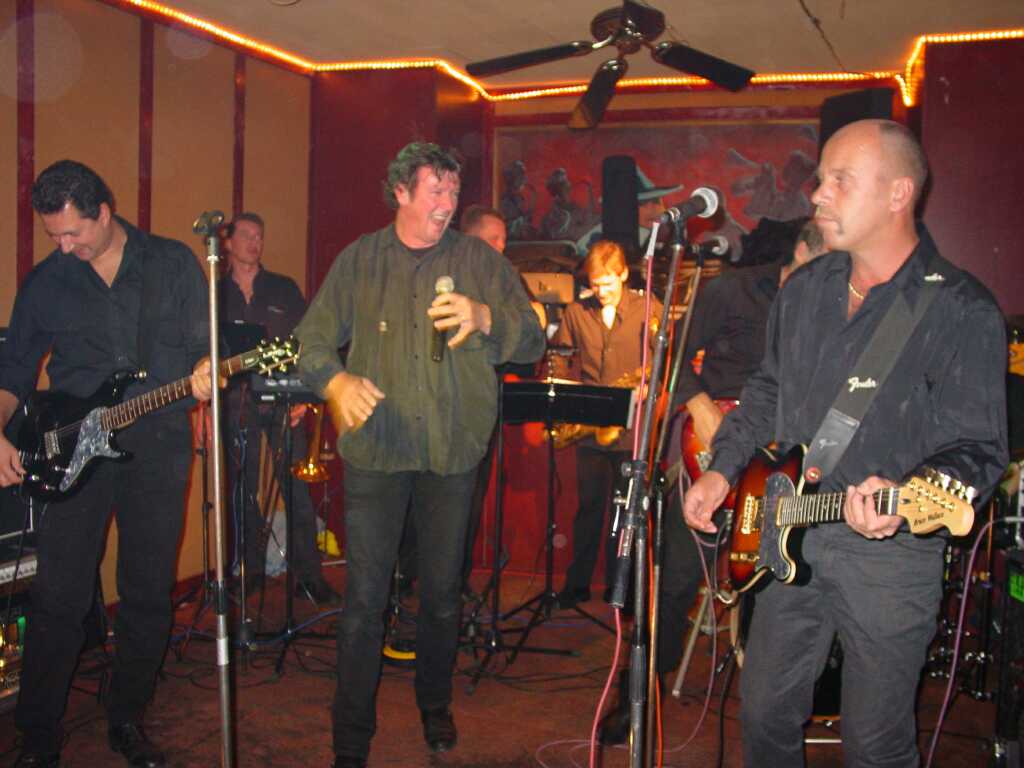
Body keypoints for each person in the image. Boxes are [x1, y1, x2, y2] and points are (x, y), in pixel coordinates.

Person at [684, 119, 1008, 766]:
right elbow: (767, 391)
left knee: (875, 744)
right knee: (764, 715)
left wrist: (907, 492)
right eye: (820, 179)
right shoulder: (805, 289)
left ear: (898, 193)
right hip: (787, 533)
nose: (817, 195)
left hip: (890, 556)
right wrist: (723, 469)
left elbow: (979, 450)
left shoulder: (962, 310)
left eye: (840, 180)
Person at [293, 142, 545, 768]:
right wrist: (335, 382)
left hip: (452, 451)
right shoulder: (360, 260)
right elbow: (311, 340)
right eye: (436, 189)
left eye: (453, 191)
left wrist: (485, 316)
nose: (448, 202)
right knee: (364, 601)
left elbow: (533, 339)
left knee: (440, 596)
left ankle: (435, 705)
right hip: (376, 451)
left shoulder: (478, 261)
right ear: (401, 192)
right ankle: (350, 737)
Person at [0, 160, 214, 768]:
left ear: (104, 211)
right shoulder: (48, 280)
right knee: (58, 595)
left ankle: (128, 719)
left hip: (158, 442)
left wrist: (206, 374)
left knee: (146, 591)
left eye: (74, 233)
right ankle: (38, 736)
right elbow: (14, 371)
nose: (65, 247)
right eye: (54, 236)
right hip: (72, 446)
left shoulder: (171, 263)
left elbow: (205, 349)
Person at [597, 217, 826, 743]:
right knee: (676, 579)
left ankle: (771, 706)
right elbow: (667, 351)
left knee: (784, 579)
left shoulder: (839, 307)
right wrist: (700, 407)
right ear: (801, 252)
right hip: (713, 452)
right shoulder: (733, 290)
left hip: (788, 466)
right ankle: (636, 697)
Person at [219, 212, 340, 605]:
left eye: (259, 236)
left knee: (297, 490)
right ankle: (251, 571)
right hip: (236, 406)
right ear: (228, 242)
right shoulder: (215, 294)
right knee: (241, 491)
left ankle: (309, 577)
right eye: (247, 235)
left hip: (285, 403)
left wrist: (303, 396)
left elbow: (307, 344)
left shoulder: (284, 289)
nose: (255, 243)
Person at [551, 240, 662, 609]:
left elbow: (665, 363)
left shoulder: (649, 308)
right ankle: (577, 585)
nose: (600, 292)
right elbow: (562, 360)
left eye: (608, 283)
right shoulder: (576, 312)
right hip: (590, 427)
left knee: (627, 512)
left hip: (631, 429)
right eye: (595, 284)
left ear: (624, 274)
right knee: (588, 508)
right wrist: (564, 389)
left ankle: (623, 589)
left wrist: (649, 386)